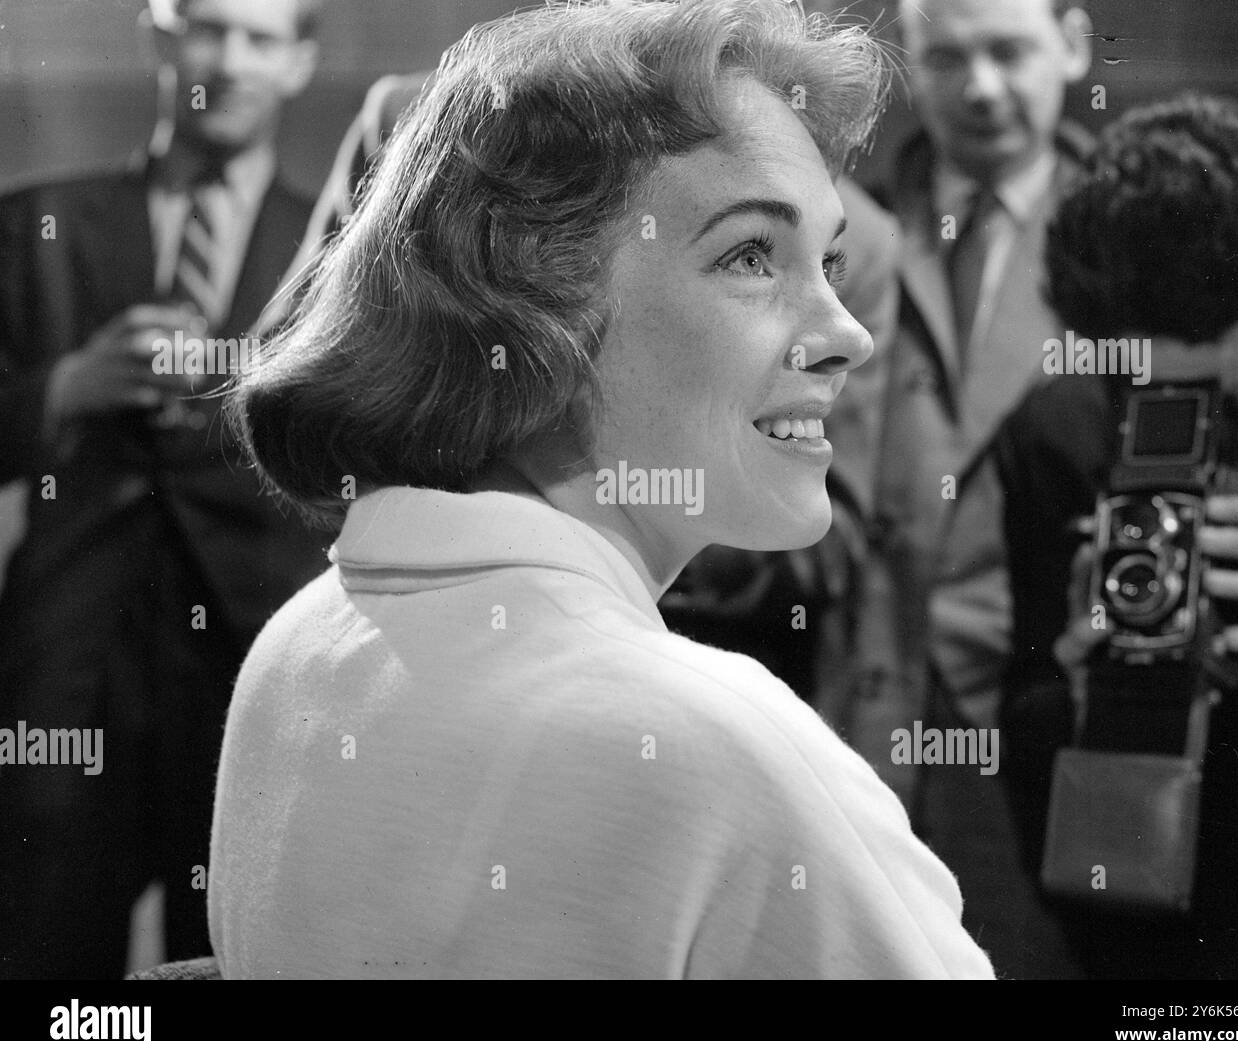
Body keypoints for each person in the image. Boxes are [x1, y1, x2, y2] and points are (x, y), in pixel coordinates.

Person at [208, 0, 995, 979]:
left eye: (827, 262)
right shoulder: (719, 746)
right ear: (536, 303)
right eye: (752, 255)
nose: (846, 332)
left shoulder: (297, 649)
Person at [0, 0, 325, 979]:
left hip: (251, 670)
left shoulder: (338, 247)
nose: (227, 61)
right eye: (208, 28)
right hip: (64, 668)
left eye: (260, 38)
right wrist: (67, 385)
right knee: (44, 964)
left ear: (300, 62)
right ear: (159, 36)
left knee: (234, 951)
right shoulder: (34, 225)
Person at [997, 93, 1238, 979]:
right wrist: (1094, 692)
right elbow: (1026, 726)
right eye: (1177, 403)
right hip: (1152, 937)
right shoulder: (1062, 432)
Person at [826, 0, 1094, 976]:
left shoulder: (1134, 243)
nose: (980, 88)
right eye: (947, 58)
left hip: (1040, 728)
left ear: (1071, 43)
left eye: (1009, 52)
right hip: (849, 712)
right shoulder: (842, 235)